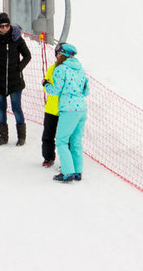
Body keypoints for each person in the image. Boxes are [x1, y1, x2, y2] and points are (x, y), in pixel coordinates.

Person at [0, 12, 32, 146]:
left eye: (7, 25)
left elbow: (27, 56)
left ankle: (21, 137)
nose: (5, 28)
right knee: (1, 109)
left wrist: (19, 68)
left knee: (16, 108)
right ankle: (3, 136)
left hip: (15, 81)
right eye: (1, 26)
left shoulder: (17, 38)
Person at [43, 42, 89, 182]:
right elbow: (86, 91)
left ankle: (68, 172)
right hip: (81, 108)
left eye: (58, 53)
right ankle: (77, 171)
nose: (56, 55)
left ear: (62, 54)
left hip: (68, 110)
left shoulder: (60, 69)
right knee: (75, 141)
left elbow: (55, 91)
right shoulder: (80, 69)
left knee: (62, 141)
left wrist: (46, 84)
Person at [41, 54, 60, 167]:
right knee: (48, 135)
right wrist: (46, 84)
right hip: (51, 108)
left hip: (65, 109)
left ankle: (66, 162)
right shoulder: (52, 68)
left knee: (65, 138)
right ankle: (48, 157)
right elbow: (46, 86)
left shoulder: (69, 70)